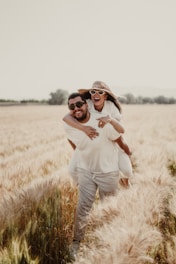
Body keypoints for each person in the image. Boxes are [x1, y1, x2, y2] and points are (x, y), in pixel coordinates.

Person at [63, 92, 124, 259]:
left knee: (109, 209)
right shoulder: (69, 126)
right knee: (82, 208)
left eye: (79, 105)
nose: (76, 108)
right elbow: (72, 139)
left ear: (86, 104)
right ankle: (76, 243)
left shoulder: (101, 120)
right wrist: (81, 149)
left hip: (108, 172)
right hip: (86, 171)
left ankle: (109, 242)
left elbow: (119, 134)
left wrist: (111, 123)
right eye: (72, 106)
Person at [63, 81, 133, 187]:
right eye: (93, 91)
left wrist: (110, 120)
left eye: (100, 92)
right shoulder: (86, 103)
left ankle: (125, 182)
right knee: (72, 171)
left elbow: (119, 133)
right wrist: (84, 129)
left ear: (105, 96)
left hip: (110, 141)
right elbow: (66, 118)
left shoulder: (111, 108)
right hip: (90, 141)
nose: (96, 94)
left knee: (127, 171)